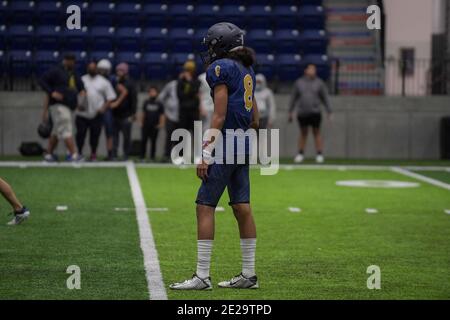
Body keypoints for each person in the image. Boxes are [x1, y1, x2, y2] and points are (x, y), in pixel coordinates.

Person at [170, 22, 260, 290]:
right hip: (244, 143)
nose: (208, 51)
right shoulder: (247, 69)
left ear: (219, 46)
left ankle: (202, 276)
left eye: (211, 45)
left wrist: (206, 152)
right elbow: (256, 118)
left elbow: (218, 115)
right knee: (242, 207)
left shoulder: (221, 69)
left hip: (227, 143)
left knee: (204, 206)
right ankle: (248, 274)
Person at [39, 53, 85, 162]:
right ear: (65, 60)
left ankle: (49, 154)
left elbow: (81, 87)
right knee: (66, 129)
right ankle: (73, 155)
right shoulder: (56, 71)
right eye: (70, 60)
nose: (72, 63)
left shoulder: (73, 72)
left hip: (69, 106)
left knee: (56, 131)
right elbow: (42, 81)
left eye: (73, 61)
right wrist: (52, 92)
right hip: (59, 105)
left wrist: (80, 100)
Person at [288, 64, 332, 164]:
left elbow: (325, 98)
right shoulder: (299, 83)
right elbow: (293, 98)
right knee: (303, 133)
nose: (313, 71)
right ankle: (300, 153)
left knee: (316, 132)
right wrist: (290, 111)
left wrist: (329, 111)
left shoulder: (319, 83)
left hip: (315, 112)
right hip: (302, 112)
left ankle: (319, 154)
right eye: (311, 69)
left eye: (314, 69)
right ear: (306, 70)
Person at [76, 61, 117, 161]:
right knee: (80, 135)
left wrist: (103, 108)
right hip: (82, 114)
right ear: (87, 69)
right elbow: (73, 93)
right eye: (90, 68)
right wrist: (77, 105)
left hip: (96, 114)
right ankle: (79, 153)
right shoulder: (82, 79)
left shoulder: (103, 81)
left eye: (94, 68)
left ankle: (93, 154)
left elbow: (111, 97)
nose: (92, 69)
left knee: (94, 136)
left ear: (96, 69)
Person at [110, 62, 137, 160]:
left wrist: (133, 113)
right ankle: (114, 154)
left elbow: (134, 99)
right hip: (115, 114)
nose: (118, 72)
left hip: (126, 115)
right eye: (117, 70)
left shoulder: (130, 83)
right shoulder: (114, 82)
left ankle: (126, 155)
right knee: (114, 136)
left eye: (120, 70)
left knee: (126, 137)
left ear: (125, 72)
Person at [97, 59, 115, 160]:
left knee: (109, 132)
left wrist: (113, 104)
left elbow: (114, 95)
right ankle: (93, 152)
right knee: (95, 131)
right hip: (97, 108)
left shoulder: (112, 80)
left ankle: (110, 153)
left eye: (105, 70)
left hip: (107, 108)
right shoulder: (95, 79)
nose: (102, 72)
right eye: (101, 70)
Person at [140, 86, 165, 161]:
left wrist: (161, 123)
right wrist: (141, 122)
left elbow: (162, 115)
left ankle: (152, 157)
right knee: (144, 141)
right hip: (146, 125)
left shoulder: (159, 103)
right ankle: (142, 157)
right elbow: (143, 113)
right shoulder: (146, 102)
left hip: (155, 125)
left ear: (157, 93)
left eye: (154, 92)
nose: (152, 93)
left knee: (153, 141)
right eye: (151, 92)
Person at [157, 78, 180, 161]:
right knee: (169, 136)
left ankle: (178, 157)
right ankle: (167, 155)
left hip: (181, 115)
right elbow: (160, 97)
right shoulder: (171, 84)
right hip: (170, 115)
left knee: (180, 136)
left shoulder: (186, 85)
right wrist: (165, 110)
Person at [177, 60, 201, 134]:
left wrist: (189, 81)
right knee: (183, 133)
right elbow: (180, 95)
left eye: (190, 70)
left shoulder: (197, 81)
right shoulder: (181, 81)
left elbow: (195, 91)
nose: (188, 72)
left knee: (196, 134)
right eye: (187, 70)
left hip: (194, 111)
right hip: (184, 111)